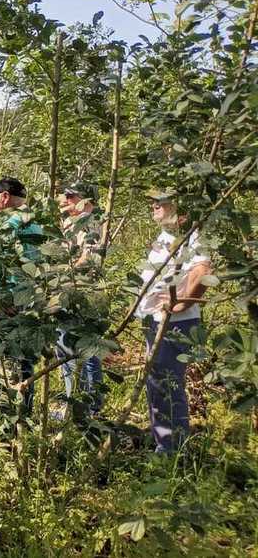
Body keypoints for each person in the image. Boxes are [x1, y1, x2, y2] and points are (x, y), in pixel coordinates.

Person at [136, 190, 212, 453]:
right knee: (156, 383)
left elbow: (203, 271)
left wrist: (180, 303)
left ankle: (172, 449)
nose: (154, 206)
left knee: (166, 384)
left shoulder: (192, 237)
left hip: (173, 323)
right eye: (153, 202)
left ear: (180, 211)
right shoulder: (165, 238)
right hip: (155, 321)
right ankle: (164, 440)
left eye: (161, 203)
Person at [0, 177, 43, 412]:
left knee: (2, 359)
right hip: (30, 298)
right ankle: (24, 409)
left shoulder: (12, 222)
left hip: (10, 300)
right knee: (25, 359)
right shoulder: (34, 222)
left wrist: (0, 296)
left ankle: (4, 414)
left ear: (4, 197)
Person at [56, 181, 106, 417]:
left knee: (82, 349)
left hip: (83, 295)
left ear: (87, 199)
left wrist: (60, 275)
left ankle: (88, 407)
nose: (66, 200)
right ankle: (75, 402)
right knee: (67, 348)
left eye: (71, 196)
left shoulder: (91, 223)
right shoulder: (73, 221)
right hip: (71, 292)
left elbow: (88, 259)